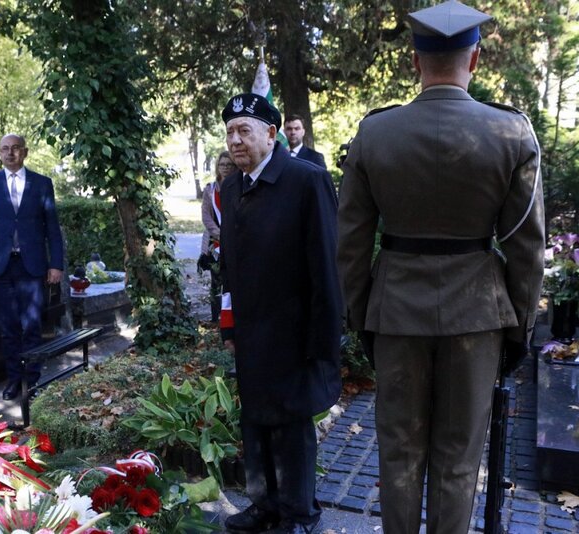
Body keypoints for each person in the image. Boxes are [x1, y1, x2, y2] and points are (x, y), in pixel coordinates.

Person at [336, 2, 545, 532]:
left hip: (396, 312)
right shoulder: (512, 134)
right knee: (457, 460)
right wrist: (520, 326)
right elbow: (526, 245)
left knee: (399, 455)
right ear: (474, 59)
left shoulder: (374, 134)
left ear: (415, 63)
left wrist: (362, 318)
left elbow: (352, 243)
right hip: (476, 315)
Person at [218, 93, 342, 534]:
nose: (235, 140)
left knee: (290, 428)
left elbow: (327, 268)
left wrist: (325, 341)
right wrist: (227, 322)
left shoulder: (307, 181)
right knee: (255, 420)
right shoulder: (231, 186)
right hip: (252, 331)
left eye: (244, 130)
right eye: (230, 131)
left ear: (271, 135)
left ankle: (299, 514)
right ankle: (265, 504)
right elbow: (227, 266)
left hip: (294, 332)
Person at [0, 134, 64, 401]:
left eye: (15, 149)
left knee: (32, 325)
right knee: (8, 327)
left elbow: (52, 228)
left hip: (32, 266)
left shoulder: (42, 184)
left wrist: (56, 264)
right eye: (4, 149)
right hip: (1, 268)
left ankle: (32, 381)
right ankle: (14, 379)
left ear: (24, 152)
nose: (10, 153)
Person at [199, 150, 235, 322]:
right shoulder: (210, 190)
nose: (225, 168)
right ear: (217, 167)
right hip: (216, 242)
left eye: (229, 165)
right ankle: (215, 318)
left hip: (235, 240)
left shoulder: (239, 186)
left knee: (233, 279)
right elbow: (206, 216)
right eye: (222, 165)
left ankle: (232, 316)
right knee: (216, 281)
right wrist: (219, 234)